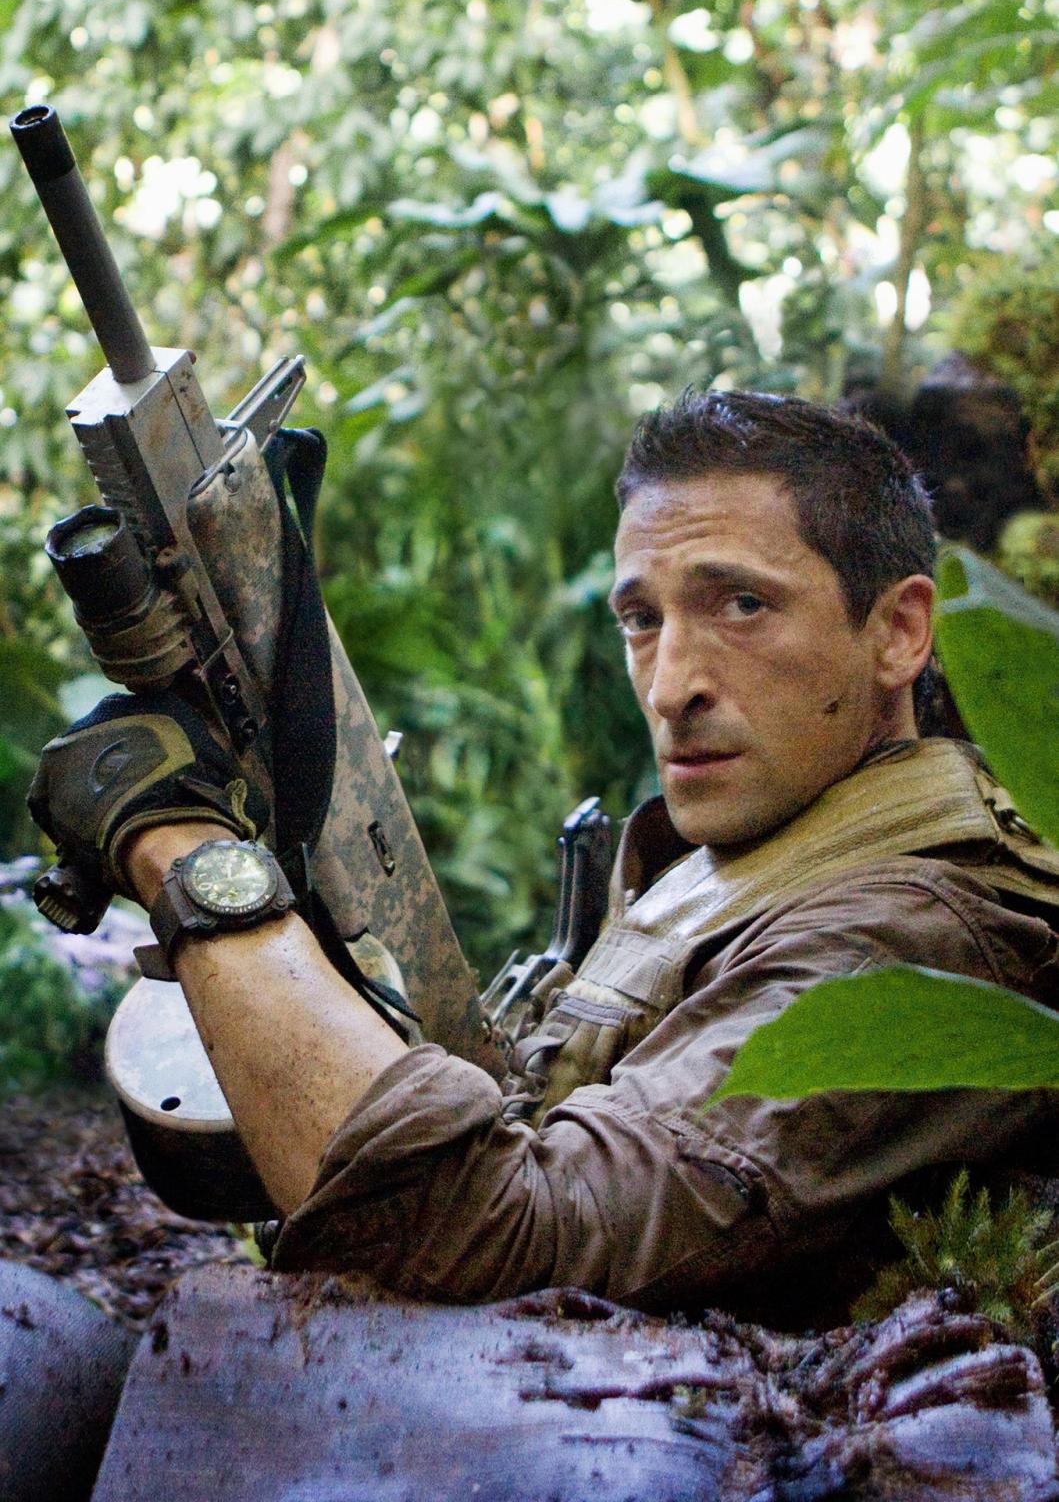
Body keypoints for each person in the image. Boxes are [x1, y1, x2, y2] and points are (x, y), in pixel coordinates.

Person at [28, 391, 1059, 1327]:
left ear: (899, 633)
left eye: (741, 604)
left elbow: (485, 1240)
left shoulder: (911, 932)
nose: (670, 686)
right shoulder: (765, 845)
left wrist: (191, 861)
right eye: (641, 619)